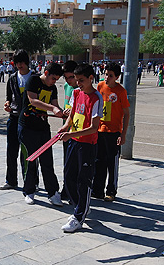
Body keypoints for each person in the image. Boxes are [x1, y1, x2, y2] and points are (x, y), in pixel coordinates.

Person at [58, 63, 103, 232]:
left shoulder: (96, 98)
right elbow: (73, 115)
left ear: (91, 78)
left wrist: (70, 135)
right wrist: (66, 127)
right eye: (76, 80)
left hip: (87, 145)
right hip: (74, 141)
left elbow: (93, 127)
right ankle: (81, 206)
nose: (78, 84)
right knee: (68, 176)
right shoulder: (76, 93)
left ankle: (78, 217)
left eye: (81, 80)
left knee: (84, 181)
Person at [18, 62, 65, 206]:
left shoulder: (53, 88)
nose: (54, 82)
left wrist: (61, 112)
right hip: (27, 126)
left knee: (47, 161)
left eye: (56, 79)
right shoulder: (33, 80)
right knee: (30, 160)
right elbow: (33, 100)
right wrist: (52, 108)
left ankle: (53, 193)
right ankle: (29, 191)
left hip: (43, 127)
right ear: (46, 73)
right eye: (53, 78)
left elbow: (55, 105)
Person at [92, 62, 129, 202]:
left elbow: (127, 113)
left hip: (113, 132)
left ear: (117, 77)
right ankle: (97, 190)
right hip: (100, 130)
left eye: (111, 75)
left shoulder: (121, 91)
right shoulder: (100, 86)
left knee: (111, 162)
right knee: (99, 160)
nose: (107, 77)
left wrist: (123, 134)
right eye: (106, 74)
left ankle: (111, 191)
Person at [0, 50, 34, 190]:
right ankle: (11, 180)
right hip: (14, 118)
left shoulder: (34, 77)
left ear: (27, 62)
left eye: (22, 62)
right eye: (17, 62)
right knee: (11, 151)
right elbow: (9, 97)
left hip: (30, 120)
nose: (19, 65)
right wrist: (7, 104)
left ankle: (32, 182)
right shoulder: (13, 78)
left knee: (29, 153)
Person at [60, 60, 79, 200]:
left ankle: (75, 189)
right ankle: (66, 188)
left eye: (71, 77)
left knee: (76, 163)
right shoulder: (67, 86)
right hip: (67, 129)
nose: (68, 80)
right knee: (67, 161)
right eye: (66, 77)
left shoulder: (80, 89)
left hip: (77, 131)